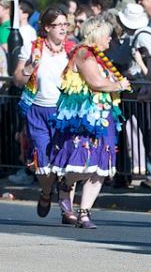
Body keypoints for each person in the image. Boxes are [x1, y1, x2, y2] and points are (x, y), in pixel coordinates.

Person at [48, 16, 131, 229]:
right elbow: (95, 82)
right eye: (108, 35)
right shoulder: (84, 53)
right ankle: (66, 183)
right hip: (86, 118)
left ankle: (84, 213)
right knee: (83, 161)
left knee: (101, 166)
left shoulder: (99, 56)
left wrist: (114, 85)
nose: (110, 39)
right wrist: (119, 85)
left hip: (104, 116)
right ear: (97, 34)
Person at [12, 7, 76, 222]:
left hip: (65, 112)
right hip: (38, 111)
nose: (63, 29)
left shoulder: (71, 49)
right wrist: (30, 67)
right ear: (47, 27)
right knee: (44, 165)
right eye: (59, 25)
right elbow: (18, 79)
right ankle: (47, 192)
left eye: (66, 25)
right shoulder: (33, 49)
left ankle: (67, 209)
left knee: (67, 163)